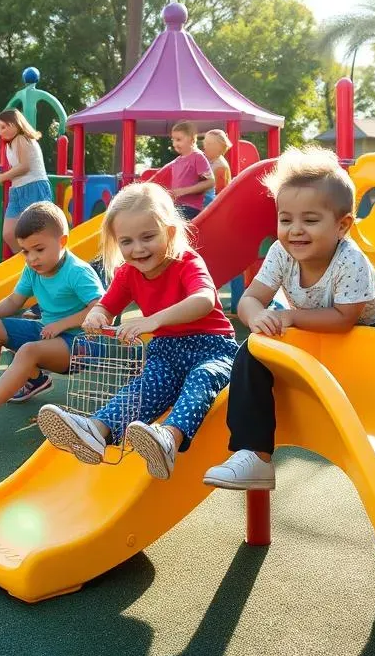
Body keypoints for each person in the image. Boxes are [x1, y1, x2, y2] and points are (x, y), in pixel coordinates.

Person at [203, 147, 375, 491]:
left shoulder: (350, 260)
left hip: (368, 338)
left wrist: (288, 316)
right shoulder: (280, 253)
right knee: (251, 351)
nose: (295, 230)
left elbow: (345, 319)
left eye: (310, 220)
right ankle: (253, 455)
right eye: (286, 219)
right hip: (314, 333)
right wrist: (257, 316)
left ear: (342, 225)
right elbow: (252, 299)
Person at [36, 181, 237, 480]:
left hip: (213, 347)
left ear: (169, 233)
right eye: (127, 241)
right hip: (167, 351)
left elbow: (205, 300)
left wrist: (154, 320)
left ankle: (169, 438)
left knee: (201, 379)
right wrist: (96, 315)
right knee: (144, 386)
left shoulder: (186, 262)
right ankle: (96, 431)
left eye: (148, 237)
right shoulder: (128, 274)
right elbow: (106, 306)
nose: (138, 248)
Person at [0, 201, 105, 448]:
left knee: (28, 350)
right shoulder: (33, 270)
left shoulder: (78, 272)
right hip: (48, 334)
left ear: (62, 242)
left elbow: (101, 308)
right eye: (25, 251)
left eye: (38, 249)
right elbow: (15, 300)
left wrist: (62, 324)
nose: (32, 258)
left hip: (82, 344)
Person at [0, 109, 54, 252]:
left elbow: (24, 166)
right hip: (17, 190)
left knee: (35, 232)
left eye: (3, 127)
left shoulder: (22, 138)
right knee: (9, 233)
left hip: (33, 187)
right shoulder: (10, 145)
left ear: (15, 124)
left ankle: (38, 260)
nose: (0, 132)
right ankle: (26, 262)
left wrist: (0, 177)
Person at [158, 121, 215, 221]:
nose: (175, 143)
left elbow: (210, 182)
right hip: (177, 205)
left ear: (192, 140)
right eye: (173, 140)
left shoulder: (198, 157)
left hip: (190, 207)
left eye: (179, 139)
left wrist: (183, 191)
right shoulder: (178, 160)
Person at [200, 128, 233, 207]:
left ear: (219, 147)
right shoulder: (207, 159)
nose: (204, 146)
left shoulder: (220, 166)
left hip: (211, 206)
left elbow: (220, 194)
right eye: (205, 142)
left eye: (209, 144)